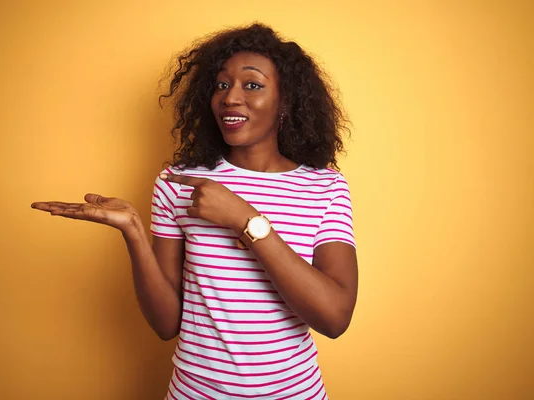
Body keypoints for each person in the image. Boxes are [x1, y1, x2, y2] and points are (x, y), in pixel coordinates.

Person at [32, 23, 358, 399]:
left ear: (285, 101)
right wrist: (134, 231)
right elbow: (166, 324)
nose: (230, 97)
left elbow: (335, 318)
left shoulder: (323, 187)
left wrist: (245, 219)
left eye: (251, 84)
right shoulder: (179, 182)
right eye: (221, 85)